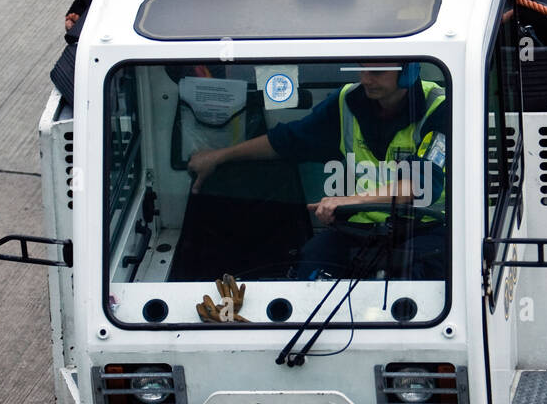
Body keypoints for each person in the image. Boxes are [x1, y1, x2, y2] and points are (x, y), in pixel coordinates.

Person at [187, 62, 447, 278]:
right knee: (311, 265)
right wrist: (219, 157)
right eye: (362, 69)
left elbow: (420, 186)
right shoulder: (349, 101)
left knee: (412, 280)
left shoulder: (439, 107)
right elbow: (288, 140)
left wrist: (346, 201)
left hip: (425, 229)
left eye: (377, 72)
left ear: (408, 71)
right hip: (361, 230)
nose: (366, 79)